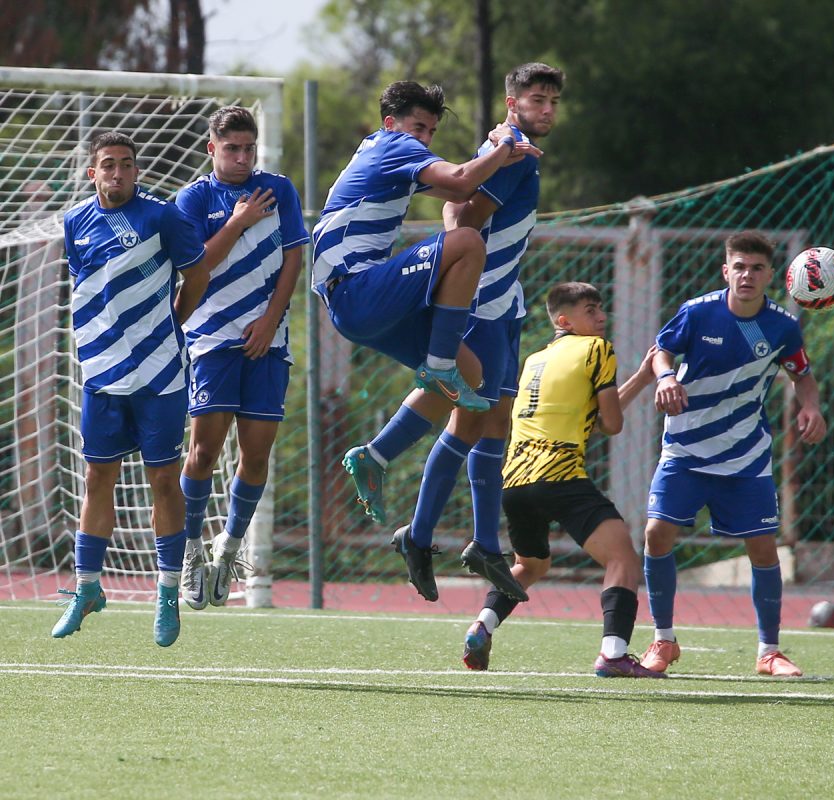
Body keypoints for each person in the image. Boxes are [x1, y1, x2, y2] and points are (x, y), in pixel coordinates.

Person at [339, 65, 562, 603]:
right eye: (537, 99)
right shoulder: (511, 152)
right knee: (471, 412)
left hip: (505, 300)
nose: (547, 109)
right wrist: (460, 260)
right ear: (512, 103)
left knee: (490, 418)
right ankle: (450, 530)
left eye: (553, 101)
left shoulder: (517, 150)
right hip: (481, 301)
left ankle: (438, 535)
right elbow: (460, 209)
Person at [313, 80, 540, 462]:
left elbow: (457, 193)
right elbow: (462, 181)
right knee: (468, 243)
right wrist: (502, 143)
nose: (425, 139)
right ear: (390, 123)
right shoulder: (393, 145)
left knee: (472, 372)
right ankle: (438, 367)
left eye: (431, 131)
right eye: (419, 127)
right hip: (356, 289)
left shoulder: (388, 153)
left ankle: (375, 457)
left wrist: (502, 158)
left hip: (357, 308)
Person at [638, 231, 828, 677]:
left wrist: (812, 406)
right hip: (685, 449)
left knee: (763, 548)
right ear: (726, 271)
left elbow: (802, 375)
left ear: (771, 276)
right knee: (656, 535)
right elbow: (662, 352)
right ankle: (663, 641)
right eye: (739, 267)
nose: (747, 275)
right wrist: (665, 378)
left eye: (756, 268)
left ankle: (769, 652)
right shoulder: (697, 312)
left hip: (746, 457)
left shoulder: (782, 326)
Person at [54, 131, 211, 647]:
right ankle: (88, 588)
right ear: (92, 172)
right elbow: (90, 291)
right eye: (108, 165)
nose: (117, 173)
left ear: (137, 170)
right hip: (101, 373)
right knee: (98, 477)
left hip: (159, 375)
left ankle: (166, 596)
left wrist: (171, 325)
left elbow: (198, 273)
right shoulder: (74, 222)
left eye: (125, 164)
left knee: (163, 481)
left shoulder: (162, 217)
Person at [461, 282, 663, 678]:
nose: (602, 317)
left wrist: (640, 378)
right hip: (560, 475)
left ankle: (481, 625)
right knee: (622, 558)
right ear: (565, 319)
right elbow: (612, 424)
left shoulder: (535, 359)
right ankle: (614, 653)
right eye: (591, 310)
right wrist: (638, 379)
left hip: (515, 482)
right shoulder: (597, 350)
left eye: (601, 308)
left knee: (530, 566)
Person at [174, 106, 310, 611]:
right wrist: (237, 221)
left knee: (256, 454)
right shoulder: (193, 198)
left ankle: (228, 549)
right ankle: (190, 552)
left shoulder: (280, 189)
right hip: (211, 339)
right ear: (212, 149)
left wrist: (272, 319)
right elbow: (198, 264)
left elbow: (295, 254)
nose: (242, 157)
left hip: (268, 341)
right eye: (232, 149)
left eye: (248, 148)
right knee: (203, 453)